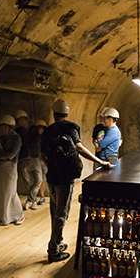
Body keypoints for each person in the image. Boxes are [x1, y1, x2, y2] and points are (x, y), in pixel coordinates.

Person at [41, 99, 112, 263]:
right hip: (66, 177)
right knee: (62, 214)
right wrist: (100, 162)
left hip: (52, 177)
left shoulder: (47, 131)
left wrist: (53, 167)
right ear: (66, 113)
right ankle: (53, 250)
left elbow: (42, 156)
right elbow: (79, 148)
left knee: (54, 213)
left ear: (54, 114)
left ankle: (57, 242)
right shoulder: (71, 127)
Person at [0, 114, 25, 226]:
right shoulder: (1, 138)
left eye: (4, 126)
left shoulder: (16, 138)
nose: (1, 129)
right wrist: (0, 155)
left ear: (10, 127)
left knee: (9, 192)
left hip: (9, 167)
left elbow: (11, 154)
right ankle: (3, 217)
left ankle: (18, 215)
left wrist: (1, 155)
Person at [15, 109, 43, 211]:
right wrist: (26, 141)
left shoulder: (33, 129)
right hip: (23, 159)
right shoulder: (17, 131)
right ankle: (33, 201)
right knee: (27, 182)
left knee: (38, 180)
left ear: (24, 119)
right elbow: (20, 142)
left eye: (19, 120)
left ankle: (30, 200)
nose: (17, 122)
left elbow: (35, 141)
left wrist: (24, 141)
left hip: (34, 158)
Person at [34, 120, 48, 206]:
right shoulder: (35, 138)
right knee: (41, 179)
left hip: (45, 160)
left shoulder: (46, 138)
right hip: (38, 160)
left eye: (40, 128)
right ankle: (42, 196)